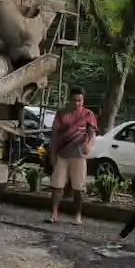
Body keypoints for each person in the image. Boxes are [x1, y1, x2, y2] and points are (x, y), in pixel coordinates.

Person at [49, 87, 98, 225]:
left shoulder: (88, 114)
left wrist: (89, 144)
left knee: (79, 187)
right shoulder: (61, 114)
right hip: (62, 153)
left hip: (79, 154)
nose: (77, 103)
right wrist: (52, 153)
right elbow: (55, 134)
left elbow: (92, 133)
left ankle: (77, 215)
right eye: (74, 100)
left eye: (79, 100)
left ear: (83, 100)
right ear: (70, 100)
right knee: (57, 185)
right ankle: (54, 213)